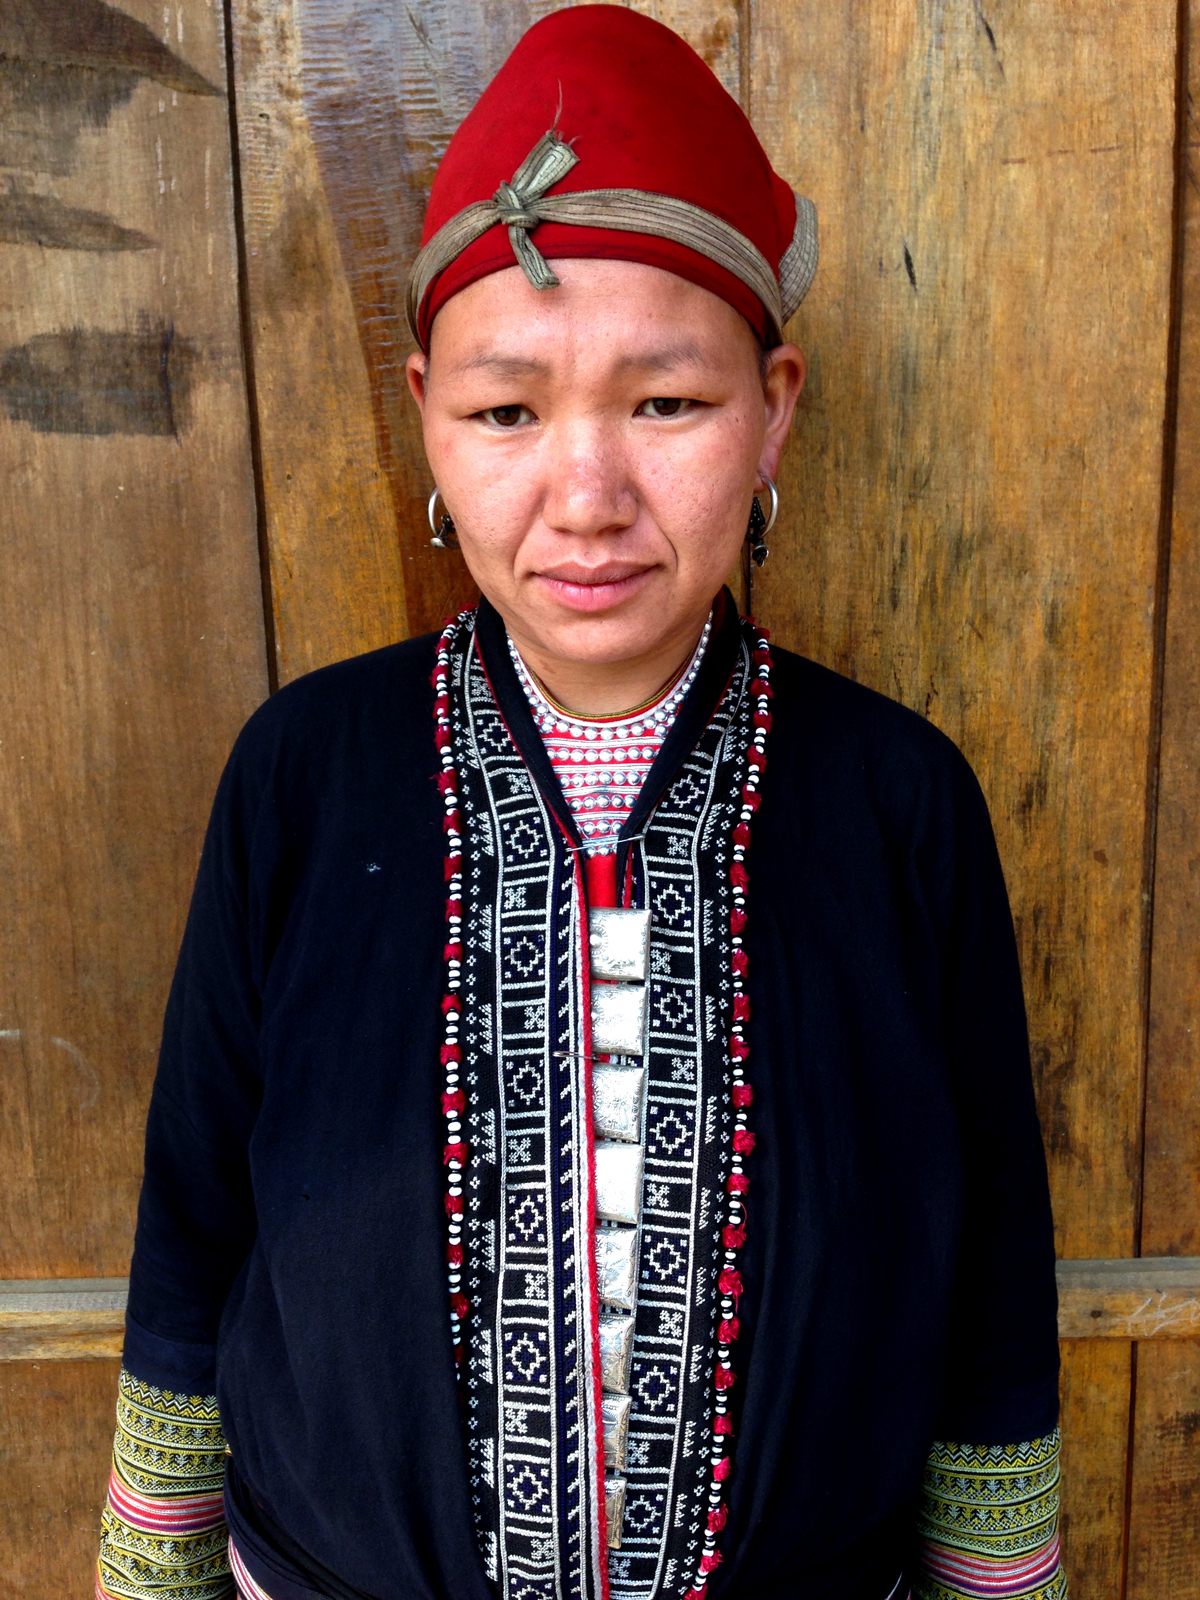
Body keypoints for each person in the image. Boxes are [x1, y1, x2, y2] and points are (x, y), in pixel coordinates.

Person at [95, 10, 1065, 1600]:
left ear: (775, 409)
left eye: (666, 405)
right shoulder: (303, 773)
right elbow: (198, 1225)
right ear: (425, 416)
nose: (587, 494)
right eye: (506, 412)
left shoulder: (897, 803)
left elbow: (988, 1290)